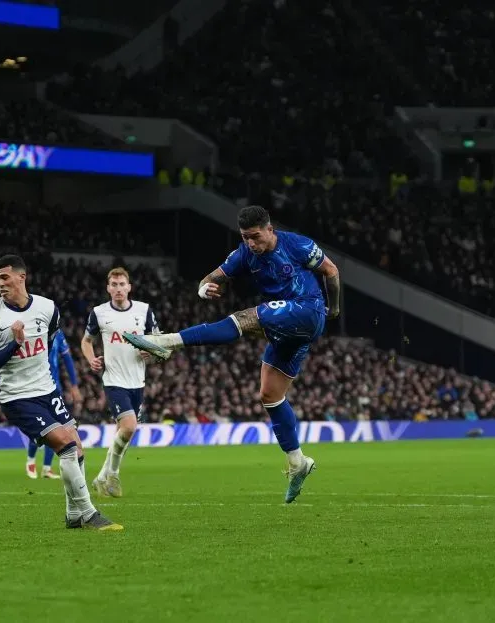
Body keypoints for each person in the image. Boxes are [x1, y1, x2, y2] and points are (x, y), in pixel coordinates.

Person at [123, 206, 341, 503]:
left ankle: (167, 342)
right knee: (270, 394)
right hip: (287, 327)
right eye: (245, 237)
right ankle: (297, 461)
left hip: (308, 309)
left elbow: (331, 270)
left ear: (269, 229)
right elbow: (210, 278)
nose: (251, 243)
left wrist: (335, 308)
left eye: (255, 236)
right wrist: (204, 289)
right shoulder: (244, 254)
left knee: (243, 318)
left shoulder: (296, 244)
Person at [0, 255, 121, 530]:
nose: (0, 283)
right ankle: (89, 513)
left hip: (47, 389)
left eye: (5, 277)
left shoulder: (47, 308)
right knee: (65, 447)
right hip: (16, 396)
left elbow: (51, 340)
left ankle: (73, 515)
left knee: (77, 450)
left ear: (22, 276)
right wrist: (14, 345)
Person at [81, 267, 159, 498]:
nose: (117, 288)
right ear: (108, 288)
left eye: (121, 284)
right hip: (114, 379)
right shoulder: (99, 313)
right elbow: (86, 342)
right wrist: (91, 359)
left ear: (129, 287)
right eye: (113, 285)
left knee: (122, 436)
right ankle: (113, 475)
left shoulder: (144, 311)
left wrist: (152, 354)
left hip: (138, 380)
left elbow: (157, 342)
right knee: (129, 426)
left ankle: (100, 478)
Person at [25, 330, 79, 480]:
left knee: (56, 427)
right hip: (35, 387)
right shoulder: (31, 329)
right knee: (41, 427)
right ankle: (30, 461)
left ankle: (47, 468)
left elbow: (67, 359)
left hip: (54, 388)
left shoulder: (58, 334)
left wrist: (74, 385)